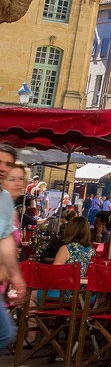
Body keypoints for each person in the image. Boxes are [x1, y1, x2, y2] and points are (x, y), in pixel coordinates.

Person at [0, 144, 27, 354]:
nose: (18, 183)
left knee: (5, 333)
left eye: (7, 164)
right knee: (5, 333)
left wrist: (16, 277)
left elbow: (7, 242)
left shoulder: (7, 204)